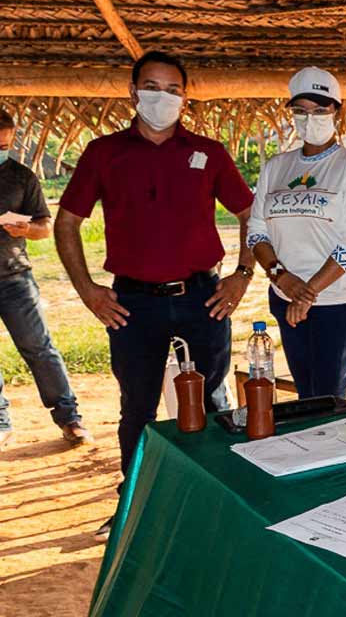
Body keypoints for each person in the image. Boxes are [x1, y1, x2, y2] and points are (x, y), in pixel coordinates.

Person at [56, 51, 255, 541]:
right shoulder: (104, 153)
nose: (161, 97)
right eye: (151, 87)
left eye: (172, 89)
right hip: (132, 303)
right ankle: (136, 500)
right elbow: (66, 224)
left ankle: (213, 498)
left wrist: (241, 274)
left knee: (209, 400)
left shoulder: (208, 152)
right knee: (137, 407)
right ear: (133, 92)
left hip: (202, 296)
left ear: (184, 98)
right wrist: (86, 291)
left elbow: (252, 213)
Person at [247, 67, 346, 399]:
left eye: (320, 110)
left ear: (337, 111)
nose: (310, 118)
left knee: (328, 399)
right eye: (301, 111)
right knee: (306, 394)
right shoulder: (276, 167)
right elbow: (257, 231)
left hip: (335, 300)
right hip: (284, 295)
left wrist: (308, 293)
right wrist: (282, 278)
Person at [0, 109, 90, 449]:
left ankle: (69, 418)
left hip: (14, 277)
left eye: (6, 144)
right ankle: (0, 421)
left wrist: (26, 228)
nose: (2, 150)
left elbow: (44, 225)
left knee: (39, 348)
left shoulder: (22, 177)